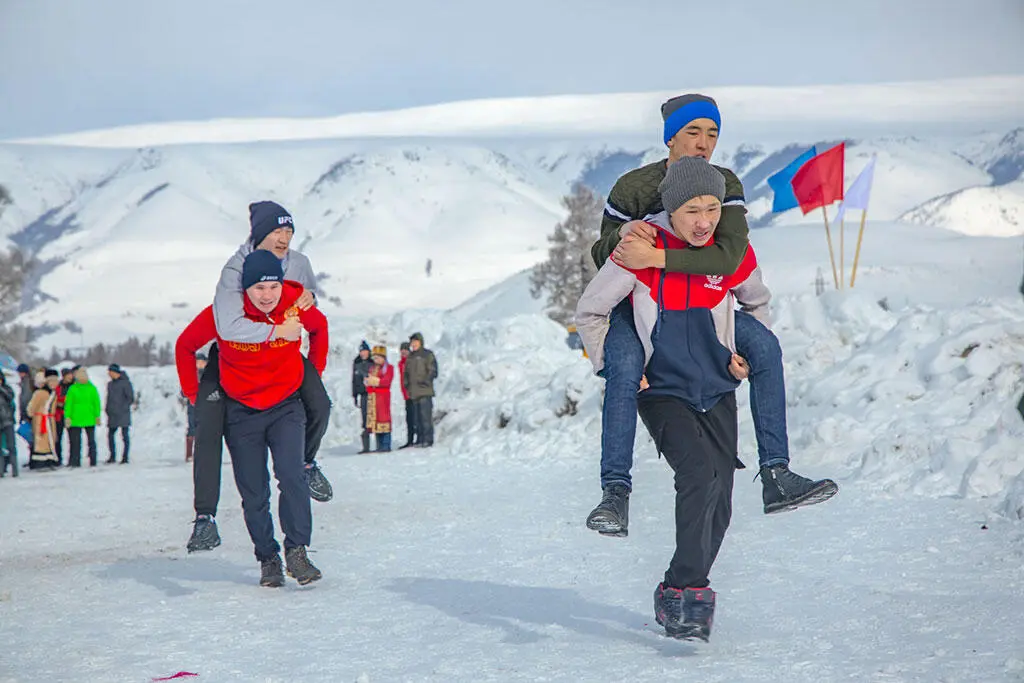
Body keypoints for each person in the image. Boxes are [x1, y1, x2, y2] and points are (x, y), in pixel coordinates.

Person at [585, 93, 836, 536]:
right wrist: (626, 235)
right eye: (693, 132)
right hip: (639, 308)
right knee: (624, 366)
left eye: (713, 134)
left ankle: (776, 474)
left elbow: (730, 256)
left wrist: (659, 259)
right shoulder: (634, 188)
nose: (704, 143)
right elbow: (602, 255)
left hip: (708, 305)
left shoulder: (726, 184)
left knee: (764, 346)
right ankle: (614, 494)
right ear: (670, 137)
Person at [577, 157, 769, 641]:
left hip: (716, 386)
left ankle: (677, 585)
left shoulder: (726, 254)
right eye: (690, 211)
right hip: (661, 390)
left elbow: (756, 300)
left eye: (711, 209)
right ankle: (688, 591)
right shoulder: (643, 250)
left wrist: (744, 349)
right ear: (669, 211)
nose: (704, 221)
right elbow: (590, 311)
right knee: (698, 474)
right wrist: (618, 366)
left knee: (721, 501)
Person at [182, 200, 334, 553]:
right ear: (259, 233)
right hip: (235, 354)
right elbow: (229, 325)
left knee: (320, 404)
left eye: (288, 232)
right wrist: (194, 392)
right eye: (276, 231)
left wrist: (313, 364)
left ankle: (306, 463)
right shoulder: (236, 269)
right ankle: (205, 517)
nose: (283, 238)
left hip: (283, 353)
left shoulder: (299, 263)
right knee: (207, 425)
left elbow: (311, 312)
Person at [404, 332, 438, 448]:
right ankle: (420, 439)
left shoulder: (427, 354)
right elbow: (406, 374)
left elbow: (433, 371)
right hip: (413, 392)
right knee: (416, 418)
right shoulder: (410, 357)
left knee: (425, 416)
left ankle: (428, 439)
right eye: (411, 342)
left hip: (424, 391)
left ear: (420, 342)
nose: (413, 344)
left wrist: (426, 381)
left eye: (415, 341)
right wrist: (407, 385)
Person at [64, 366, 102, 467]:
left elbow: (68, 404)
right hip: (90, 418)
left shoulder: (73, 388)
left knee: (76, 442)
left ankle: (75, 461)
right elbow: (96, 403)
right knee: (91, 441)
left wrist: (67, 417)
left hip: (75, 418)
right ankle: (93, 460)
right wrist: (97, 416)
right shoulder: (92, 388)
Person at [27, 369, 60, 470]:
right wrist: (32, 416)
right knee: (41, 441)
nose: (54, 384)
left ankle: (49, 460)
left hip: (50, 419)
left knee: (50, 440)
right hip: (41, 420)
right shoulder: (40, 392)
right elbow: (31, 407)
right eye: (52, 381)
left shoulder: (53, 394)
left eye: (56, 381)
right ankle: (40, 462)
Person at [365, 345, 394, 452]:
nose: (376, 360)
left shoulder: (389, 368)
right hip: (374, 398)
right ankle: (379, 445)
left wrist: (375, 381)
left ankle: (386, 445)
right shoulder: (372, 368)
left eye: (378, 357)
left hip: (383, 397)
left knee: (384, 420)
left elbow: (386, 381)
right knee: (376, 422)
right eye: (375, 357)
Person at [105, 363, 135, 464]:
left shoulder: (126, 383)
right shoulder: (110, 384)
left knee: (124, 436)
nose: (109, 374)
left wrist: (123, 408)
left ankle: (125, 457)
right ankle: (112, 456)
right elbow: (108, 398)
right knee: (110, 436)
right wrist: (107, 409)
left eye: (110, 372)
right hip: (112, 414)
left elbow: (130, 398)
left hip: (123, 414)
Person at [184, 353, 208, 462]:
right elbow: (184, 390)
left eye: (202, 362)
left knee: (205, 430)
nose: (200, 364)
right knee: (192, 428)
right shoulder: (190, 373)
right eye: (198, 362)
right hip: (193, 404)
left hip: (206, 405)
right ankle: (189, 454)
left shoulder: (209, 375)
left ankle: (202, 453)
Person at [352, 341, 373, 453]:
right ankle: (366, 446)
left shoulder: (372, 362)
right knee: (365, 419)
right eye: (361, 351)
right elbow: (354, 380)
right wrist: (354, 395)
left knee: (374, 418)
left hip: (372, 393)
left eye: (365, 351)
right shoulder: (357, 363)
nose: (363, 353)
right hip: (363, 394)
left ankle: (381, 444)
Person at [52, 368, 74, 466]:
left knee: (73, 438)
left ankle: (72, 459)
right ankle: (58, 458)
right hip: (59, 415)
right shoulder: (59, 386)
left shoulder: (74, 386)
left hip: (71, 415)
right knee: (58, 438)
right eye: (68, 375)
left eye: (71, 375)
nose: (70, 377)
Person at [397, 342, 417, 449]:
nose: (403, 352)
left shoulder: (412, 361)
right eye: (402, 350)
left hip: (413, 393)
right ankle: (409, 440)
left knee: (415, 418)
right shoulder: (401, 363)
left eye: (406, 350)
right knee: (409, 418)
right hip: (406, 394)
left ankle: (418, 439)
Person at [0, 372, 18, 477]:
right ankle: (1, 470)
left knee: (11, 446)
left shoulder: (7, 389)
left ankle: (15, 470)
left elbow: (10, 398)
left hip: (8, 421)